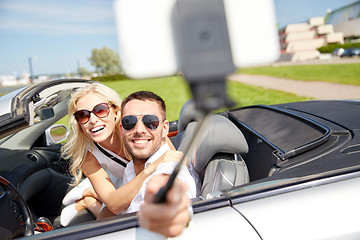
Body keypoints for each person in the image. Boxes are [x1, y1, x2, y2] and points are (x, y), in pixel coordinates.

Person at [59, 83, 180, 226]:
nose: (93, 120)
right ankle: (89, 199)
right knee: (103, 226)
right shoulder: (87, 155)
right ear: (79, 123)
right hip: (119, 185)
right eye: (83, 115)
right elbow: (114, 204)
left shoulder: (138, 129)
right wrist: (152, 167)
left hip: (138, 181)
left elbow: (173, 160)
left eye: (100, 110)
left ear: (116, 112)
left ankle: (92, 195)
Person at [116, 90, 196, 214]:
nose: (139, 130)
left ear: (164, 129)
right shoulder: (131, 169)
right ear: (121, 130)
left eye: (150, 122)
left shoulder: (170, 171)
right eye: (129, 122)